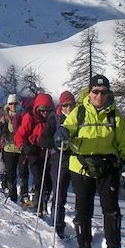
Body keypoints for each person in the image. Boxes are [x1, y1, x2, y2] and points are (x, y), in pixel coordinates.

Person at [54, 75, 125, 248]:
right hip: (81, 166)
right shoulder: (79, 112)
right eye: (95, 92)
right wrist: (61, 134)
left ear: (108, 93)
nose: (99, 96)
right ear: (89, 92)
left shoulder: (115, 115)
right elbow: (67, 128)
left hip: (108, 166)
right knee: (83, 209)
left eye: (103, 92)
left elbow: (123, 142)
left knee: (111, 209)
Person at [39, 90, 76, 239]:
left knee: (81, 195)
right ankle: (58, 224)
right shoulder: (54, 118)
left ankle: (80, 227)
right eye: (65, 105)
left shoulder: (79, 117)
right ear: (61, 105)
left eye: (71, 105)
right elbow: (44, 139)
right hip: (58, 159)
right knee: (59, 193)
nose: (68, 108)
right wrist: (56, 142)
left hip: (76, 160)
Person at [15, 92, 55, 216]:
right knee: (38, 178)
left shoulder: (52, 120)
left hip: (46, 152)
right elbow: (19, 135)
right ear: (37, 108)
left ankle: (43, 201)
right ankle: (38, 205)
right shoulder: (30, 118)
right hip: (33, 151)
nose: (45, 113)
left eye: (48, 110)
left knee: (48, 181)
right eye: (42, 110)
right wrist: (24, 146)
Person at [0, 94, 22, 201]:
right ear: (8, 105)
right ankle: (13, 194)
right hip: (8, 148)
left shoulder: (23, 115)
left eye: (15, 103)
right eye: (11, 104)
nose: (13, 106)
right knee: (11, 173)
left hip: (20, 148)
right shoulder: (5, 117)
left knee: (23, 173)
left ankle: (24, 195)